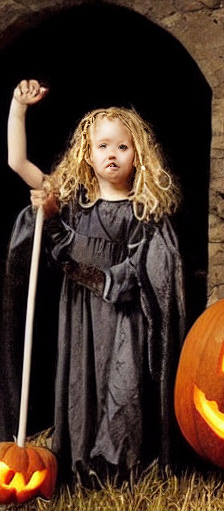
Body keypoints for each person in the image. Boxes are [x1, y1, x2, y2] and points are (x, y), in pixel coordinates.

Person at [3, 79, 186, 481]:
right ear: (87, 153)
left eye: (123, 146)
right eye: (103, 145)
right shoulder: (70, 202)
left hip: (125, 317)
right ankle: (81, 460)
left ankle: (121, 465)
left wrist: (106, 278)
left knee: (124, 384)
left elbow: (148, 271)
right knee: (82, 384)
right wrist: (19, 108)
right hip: (80, 315)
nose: (113, 154)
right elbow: (18, 163)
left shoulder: (144, 213)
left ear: (139, 156)